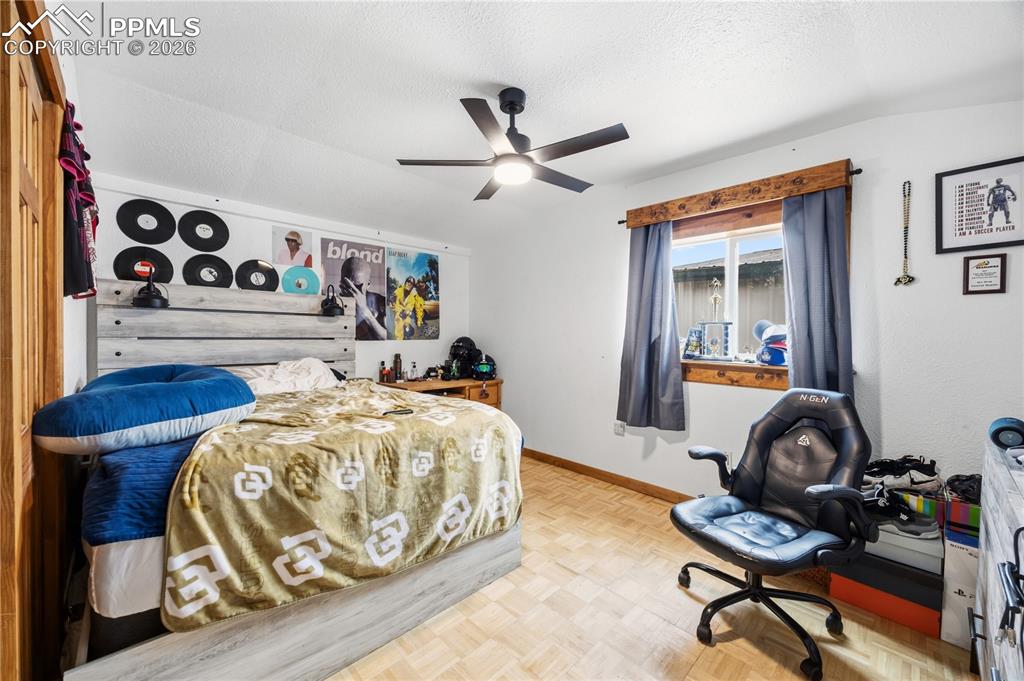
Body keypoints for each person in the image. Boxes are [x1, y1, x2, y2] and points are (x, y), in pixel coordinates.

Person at [340, 256, 387, 340]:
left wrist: (365, 311)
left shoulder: (381, 303)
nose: (351, 290)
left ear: (368, 284)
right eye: (347, 285)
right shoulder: (336, 303)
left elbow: (388, 338)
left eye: (357, 286)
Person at [392, 276, 425, 340]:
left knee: (406, 319)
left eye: (411, 283)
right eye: (408, 281)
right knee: (399, 318)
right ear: (405, 283)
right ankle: (399, 339)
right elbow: (393, 303)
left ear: (413, 287)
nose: (409, 284)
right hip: (398, 313)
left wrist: (406, 311)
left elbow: (409, 309)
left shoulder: (412, 298)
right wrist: (397, 307)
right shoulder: (398, 291)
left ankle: (406, 329)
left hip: (406, 315)